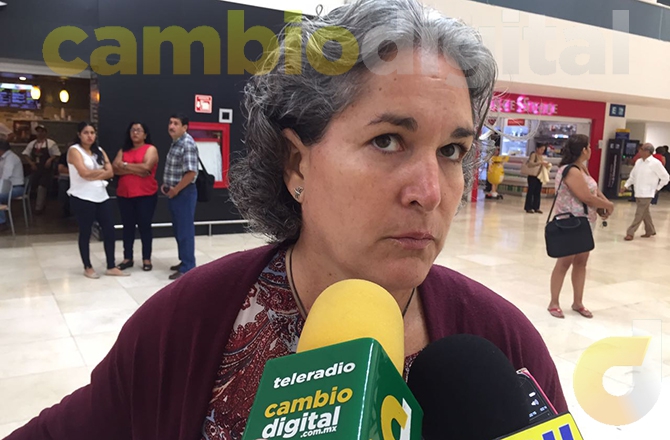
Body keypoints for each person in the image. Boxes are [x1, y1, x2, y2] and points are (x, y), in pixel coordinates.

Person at [6, 1, 568, 439]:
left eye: (451, 151)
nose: (429, 192)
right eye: (388, 140)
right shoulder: (185, 327)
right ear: (297, 163)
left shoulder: (504, 346)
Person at [548, 135, 614, 319]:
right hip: (570, 223)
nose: (591, 150)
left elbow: (594, 191)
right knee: (564, 262)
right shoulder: (570, 170)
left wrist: (603, 204)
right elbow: (586, 197)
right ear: (584, 150)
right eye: (589, 147)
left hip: (585, 222)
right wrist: (609, 205)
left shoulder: (582, 168)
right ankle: (554, 302)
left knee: (581, 262)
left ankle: (578, 302)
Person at [67, 122, 128, 279]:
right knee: (85, 232)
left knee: (109, 230)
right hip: (82, 196)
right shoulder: (74, 150)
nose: (90, 136)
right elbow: (83, 173)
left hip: (101, 195)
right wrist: (101, 172)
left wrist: (95, 173)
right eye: (86, 132)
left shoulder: (99, 151)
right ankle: (87, 266)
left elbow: (110, 172)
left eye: (92, 133)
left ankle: (111, 265)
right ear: (79, 134)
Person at [112, 122, 159, 272]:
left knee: (145, 226)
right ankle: (128, 258)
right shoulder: (123, 150)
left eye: (139, 130)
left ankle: (146, 259)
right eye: (133, 130)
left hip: (146, 195)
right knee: (128, 227)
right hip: (124, 195)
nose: (135, 133)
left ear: (145, 134)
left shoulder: (150, 149)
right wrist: (135, 169)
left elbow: (147, 167)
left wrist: (124, 166)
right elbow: (114, 168)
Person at [163, 113, 199, 280]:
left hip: (184, 193)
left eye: (176, 123)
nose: (171, 126)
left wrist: (176, 190)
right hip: (175, 193)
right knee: (179, 229)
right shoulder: (176, 142)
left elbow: (191, 173)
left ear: (184, 127)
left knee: (185, 231)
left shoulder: (187, 143)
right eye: (170, 122)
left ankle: (188, 267)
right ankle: (184, 260)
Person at [624, 143, 670, 241]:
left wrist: (658, 188)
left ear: (647, 151)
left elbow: (666, 177)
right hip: (638, 191)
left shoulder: (655, 163)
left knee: (639, 213)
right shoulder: (638, 162)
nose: (639, 151)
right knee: (645, 212)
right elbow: (633, 176)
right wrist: (626, 185)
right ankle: (650, 230)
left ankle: (630, 232)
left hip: (648, 193)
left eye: (641, 149)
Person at [22, 125, 60, 214]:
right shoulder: (32, 144)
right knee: (33, 186)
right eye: (38, 131)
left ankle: (38, 208)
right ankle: (34, 206)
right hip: (35, 169)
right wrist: (31, 163)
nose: (39, 133)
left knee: (42, 187)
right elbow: (25, 154)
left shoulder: (51, 143)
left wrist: (50, 160)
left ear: (45, 133)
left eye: (42, 131)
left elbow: (57, 154)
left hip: (46, 170)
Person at [0, 139, 24, 232]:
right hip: (8, 187)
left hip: (16, 188)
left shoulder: (10, 158)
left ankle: (2, 223)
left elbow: (6, 176)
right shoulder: (4, 158)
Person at [524, 144, 552, 214]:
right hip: (533, 175)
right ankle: (528, 207)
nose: (542, 151)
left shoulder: (541, 156)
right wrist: (540, 163)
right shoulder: (534, 155)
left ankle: (536, 207)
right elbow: (530, 164)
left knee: (538, 191)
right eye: (541, 149)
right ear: (537, 148)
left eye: (543, 150)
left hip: (539, 175)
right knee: (531, 191)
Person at [57, 147, 71, 218]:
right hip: (65, 178)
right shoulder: (64, 156)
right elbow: (61, 169)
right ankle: (65, 211)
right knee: (63, 189)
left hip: (79, 180)